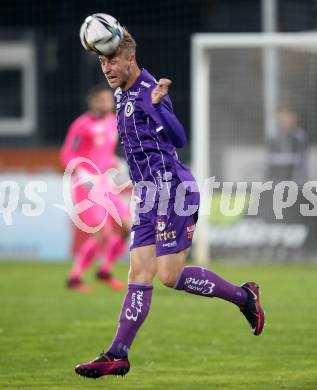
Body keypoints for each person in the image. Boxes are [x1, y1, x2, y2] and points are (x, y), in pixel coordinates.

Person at [75, 28, 265, 378]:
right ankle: (117, 353)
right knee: (139, 273)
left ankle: (244, 296)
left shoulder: (150, 91)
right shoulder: (120, 93)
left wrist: (160, 108)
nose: (106, 67)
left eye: (112, 60)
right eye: (102, 61)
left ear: (130, 59)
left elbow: (179, 138)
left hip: (173, 192)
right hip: (147, 196)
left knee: (168, 276)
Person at [60, 85, 131, 292]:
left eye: (108, 100)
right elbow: (66, 154)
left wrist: (115, 161)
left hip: (104, 183)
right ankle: (74, 278)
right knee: (104, 233)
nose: (105, 104)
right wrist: (81, 171)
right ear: (91, 102)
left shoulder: (112, 122)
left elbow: (103, 152)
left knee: (128, 226)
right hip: (86, 185)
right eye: (100, 100)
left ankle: (105, 270)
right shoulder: (82, 125)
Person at [268, 107, 308, 187]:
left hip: (295, 183)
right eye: (281, 119)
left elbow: (300, 164)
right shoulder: (275, 137)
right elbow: (271, 161)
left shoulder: (299, 137)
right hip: (277, 183)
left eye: (286, 118)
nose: (283, 121)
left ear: (293, 119)